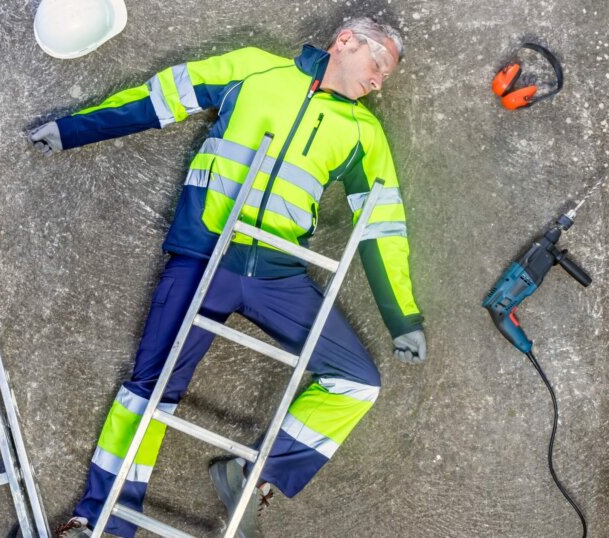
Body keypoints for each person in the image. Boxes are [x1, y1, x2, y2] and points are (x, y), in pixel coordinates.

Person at [32, 16, 426, 538]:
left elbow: (382, 226)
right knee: (148, 391)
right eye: (378, 66)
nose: (378, 82)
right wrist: (76, 128)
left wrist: (402, 318)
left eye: (385, 79)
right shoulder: (254, 69)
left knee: (357, 382)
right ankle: (99, 521)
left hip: (277, 277)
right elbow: (160, 98)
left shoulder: (363, 133)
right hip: (203, 259)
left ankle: (256, 476)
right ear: (346, 41)